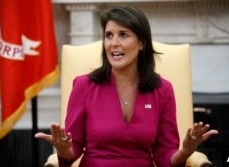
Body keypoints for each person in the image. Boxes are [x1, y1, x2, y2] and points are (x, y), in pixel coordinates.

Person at [35, 5, 218, 167]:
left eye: (123, 35)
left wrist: (185, 151)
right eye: (109, 35)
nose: (114, 43)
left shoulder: (163, 89)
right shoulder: (84, 85)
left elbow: (165, 155)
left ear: (141, 43)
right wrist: (63, 150)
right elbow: (73, 148)